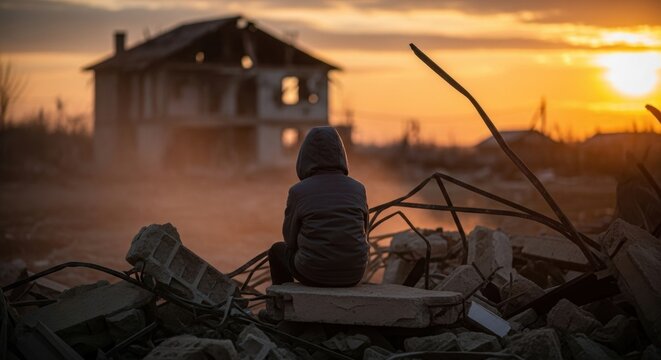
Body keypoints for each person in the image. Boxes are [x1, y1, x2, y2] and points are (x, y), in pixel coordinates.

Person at [268, 126, 369, 287]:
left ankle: (282, 301)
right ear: (341, 155)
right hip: (354, 274)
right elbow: (365, 232)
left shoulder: (298, 191)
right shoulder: (358, 189)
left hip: (313, 275)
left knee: (277, 251)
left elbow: (290, 240)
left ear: (304, 157)